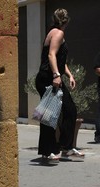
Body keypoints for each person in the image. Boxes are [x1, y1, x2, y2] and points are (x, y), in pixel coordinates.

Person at [35, 8, 84, 163]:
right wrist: (56, 75)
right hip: (49, 78)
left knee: (65, 111)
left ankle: (62, 147)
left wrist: (69, 75)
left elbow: (59, 59)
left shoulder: (52, 32)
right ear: (67, 21)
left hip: (49, 77)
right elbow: (51, 55)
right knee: (53, 114)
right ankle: (54, 149)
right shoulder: (58, 33)